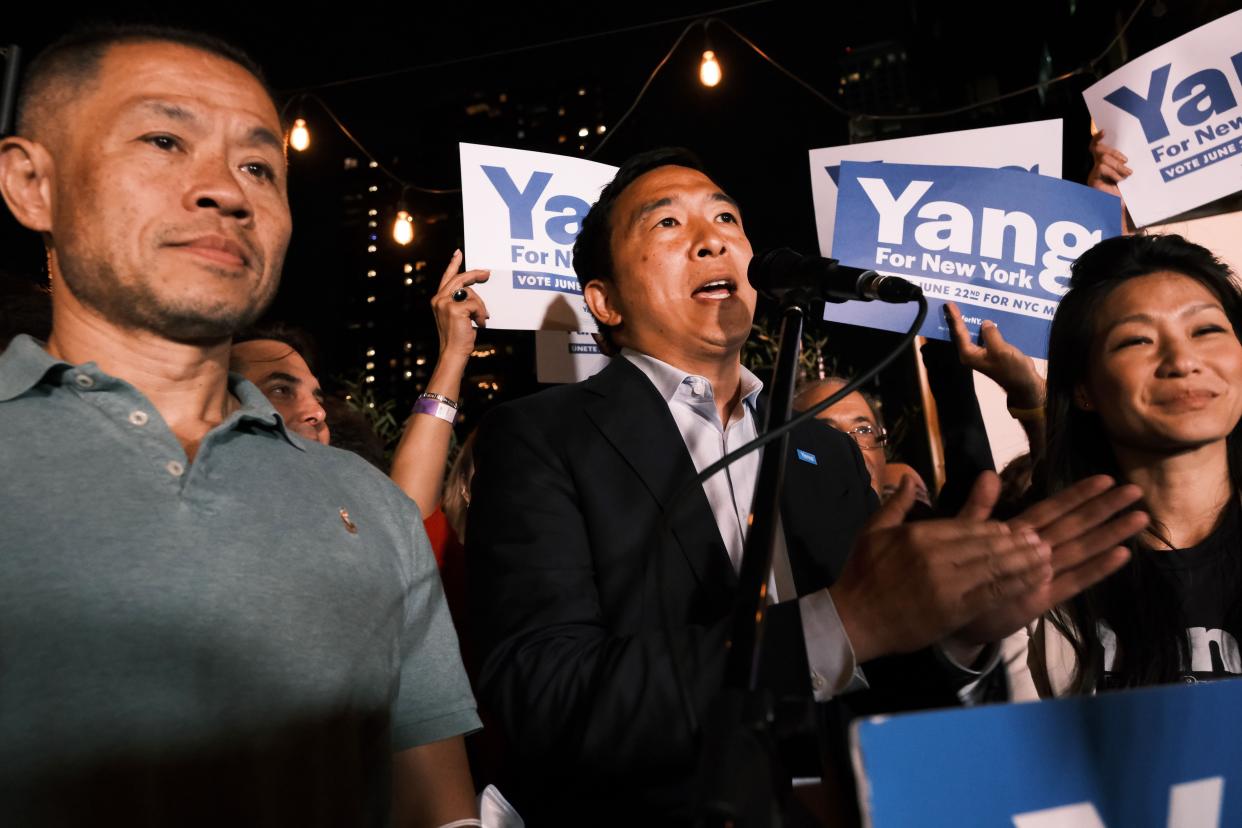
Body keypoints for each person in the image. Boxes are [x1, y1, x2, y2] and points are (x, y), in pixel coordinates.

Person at [465, 147, 1149, 824]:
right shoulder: (540, 438)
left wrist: (960, 640)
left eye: (727, 218)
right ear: (604, 301)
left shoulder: (825, 450)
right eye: (667, 225)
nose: (712, 240)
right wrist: (836, 625)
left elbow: (893, 679)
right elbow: (546, 696)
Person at [0, 25, 480, 826]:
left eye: (259, 165)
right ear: (30, 183)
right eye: (164, 140)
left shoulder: (374, 507)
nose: (226, 189)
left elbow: (441, 811)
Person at [1007, 233, 1242, 698]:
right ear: (1083, 389)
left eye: (1206, 330)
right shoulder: (1028, 575)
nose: (1182, 361)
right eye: (1137, 340)